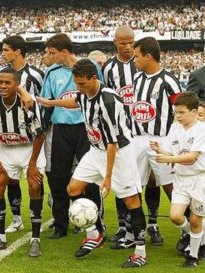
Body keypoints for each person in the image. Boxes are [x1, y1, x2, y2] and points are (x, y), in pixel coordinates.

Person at [38, 59, 147, 268]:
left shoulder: (107, 101)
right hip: (95, 151)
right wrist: (51, 103)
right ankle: (94, 233)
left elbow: (113, 142)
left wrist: (107, 177)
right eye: (76, 83)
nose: (78, 88)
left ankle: (140, 251)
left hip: (118, 153)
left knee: (131, 201)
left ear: (94, 78)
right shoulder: (84, 93)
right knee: (73, 188)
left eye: (81, 84)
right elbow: (76, 101)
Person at [39, 33, 104, 240]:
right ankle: (60, 224)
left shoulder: (89, 66)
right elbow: (47, 100)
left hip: (85, 129)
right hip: (61, 129)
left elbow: (99, 93)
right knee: (58, 177)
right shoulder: (52, 72)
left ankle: (96, 224)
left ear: (64, 52)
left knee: (89, 178)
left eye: (52, 53)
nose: (49, 56)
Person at [0, 67, 47, 255]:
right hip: (6, 149)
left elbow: (40, 134)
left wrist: (33, 164)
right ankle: (1, 238)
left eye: (7, 82)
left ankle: (35, 239)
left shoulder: (28, 103)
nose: (3, 86)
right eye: (0, 82)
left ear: (17, 85)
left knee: (34, 186)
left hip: (30, 149)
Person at [130, 37, 182, 247]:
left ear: (148, 56)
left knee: (170, 186)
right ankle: (136, 231)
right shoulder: (137, 79)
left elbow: (181, 109)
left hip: (160, 140)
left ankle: (187, 230)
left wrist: (175, 140)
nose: (134, 60)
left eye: (137, 56)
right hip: (137, 139)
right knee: (134, 185)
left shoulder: (168, 80)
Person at [150, 92, 205, 268]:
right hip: (181, 179)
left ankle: (193, 257)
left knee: (196, 220)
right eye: (176, 112)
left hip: (199, 179)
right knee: (175, 217)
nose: (178, 116)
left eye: (182, 112)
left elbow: (191, 157)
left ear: (194, 112)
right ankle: (197, 237)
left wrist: (168, 159)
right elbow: (171, 153)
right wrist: (161, 150)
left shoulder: (201, 130)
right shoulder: (174, 128)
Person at [1, 35, 45, 234]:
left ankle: (40, 215)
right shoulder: (2, 74)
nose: (3, 54)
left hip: (35, 135)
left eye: (5, 50)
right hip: (9, 139)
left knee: (36, 179)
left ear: (17, 51)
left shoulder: (35, 74)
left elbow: (43, 99)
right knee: (11, 180)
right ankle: (17, 218)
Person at [101, 25, 139, 245]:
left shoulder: (141, 62)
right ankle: (124, 227)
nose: (127, 47)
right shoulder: (108, 68)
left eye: (131, 42)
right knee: (120, 180)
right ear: (115, 42)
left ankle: (150, 224)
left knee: (144, 181)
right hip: (119, 133)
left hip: (141, 132)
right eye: (123, 43)